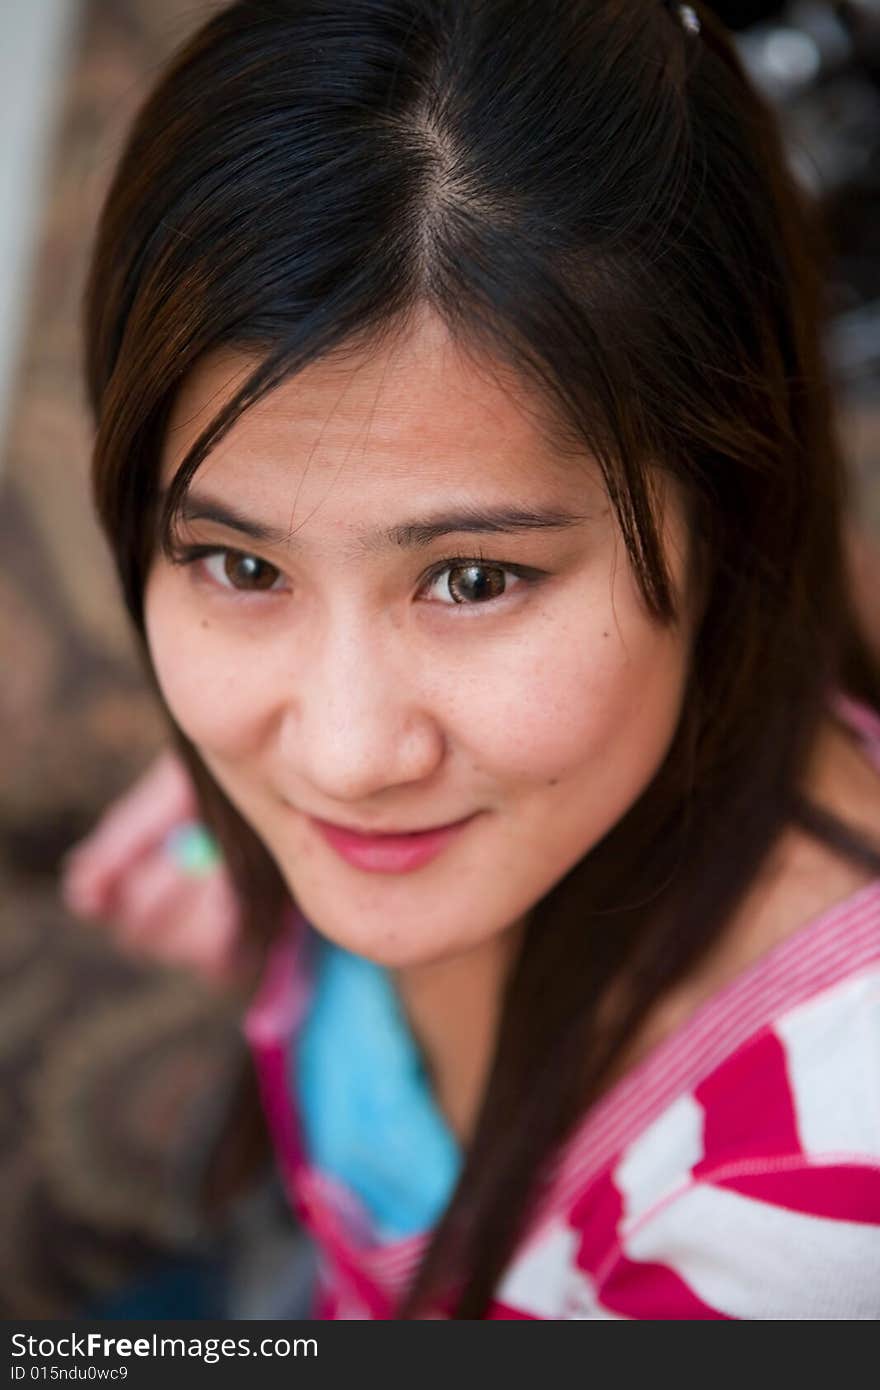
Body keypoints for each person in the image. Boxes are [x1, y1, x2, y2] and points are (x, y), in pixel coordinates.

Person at [62, 0, 880, 1318]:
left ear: (736, 518)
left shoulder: (814, 1201)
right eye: (242, 563)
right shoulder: (452, 779)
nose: (341, 752)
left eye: (474, 578)